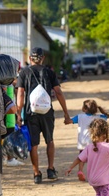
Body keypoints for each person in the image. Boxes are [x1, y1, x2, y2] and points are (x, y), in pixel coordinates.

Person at [16, 47, 71, 184]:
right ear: (43, 58)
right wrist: (66, 113)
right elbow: (58, 92)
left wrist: (18, 114)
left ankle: (36, 174)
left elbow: (21, 94)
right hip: (47, 112)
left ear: (30, 59)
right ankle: (51, 169)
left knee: (33, 144)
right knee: (50, 140)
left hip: (31, 113)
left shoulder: (24, 72)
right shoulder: (49, 72)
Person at [65, 99, 109, 181]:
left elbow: (68, 121)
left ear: (84, 109)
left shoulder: (80, 117)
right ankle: (98, 171)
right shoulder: (100, 117)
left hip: (83, 142)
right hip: (94, 141)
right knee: (96, 156)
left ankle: (80, 171)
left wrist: (66, 116)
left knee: (82, 157)